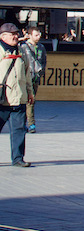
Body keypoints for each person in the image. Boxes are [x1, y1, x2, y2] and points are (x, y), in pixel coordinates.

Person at [0, 22, 32, 167]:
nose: (15, 36)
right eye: (12, 34)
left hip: (19, 98)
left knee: (19, 131)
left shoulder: (22, 51)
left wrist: (30, 93)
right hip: (2, 99)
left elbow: (27, 74)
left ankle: (18, 159)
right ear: (3, 36)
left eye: (16, 33)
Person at [19, 26, 46, 133]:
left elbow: (44, 61)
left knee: (31, 101)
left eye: (39, 34)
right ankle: (30, 123)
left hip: (36, 77)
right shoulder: (23, 47)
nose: (38, 37)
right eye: (36, 35)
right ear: (29, 35)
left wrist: (41, 72)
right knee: (29, 100)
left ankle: (26, 123)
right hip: (27, 77)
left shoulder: (41, 47)